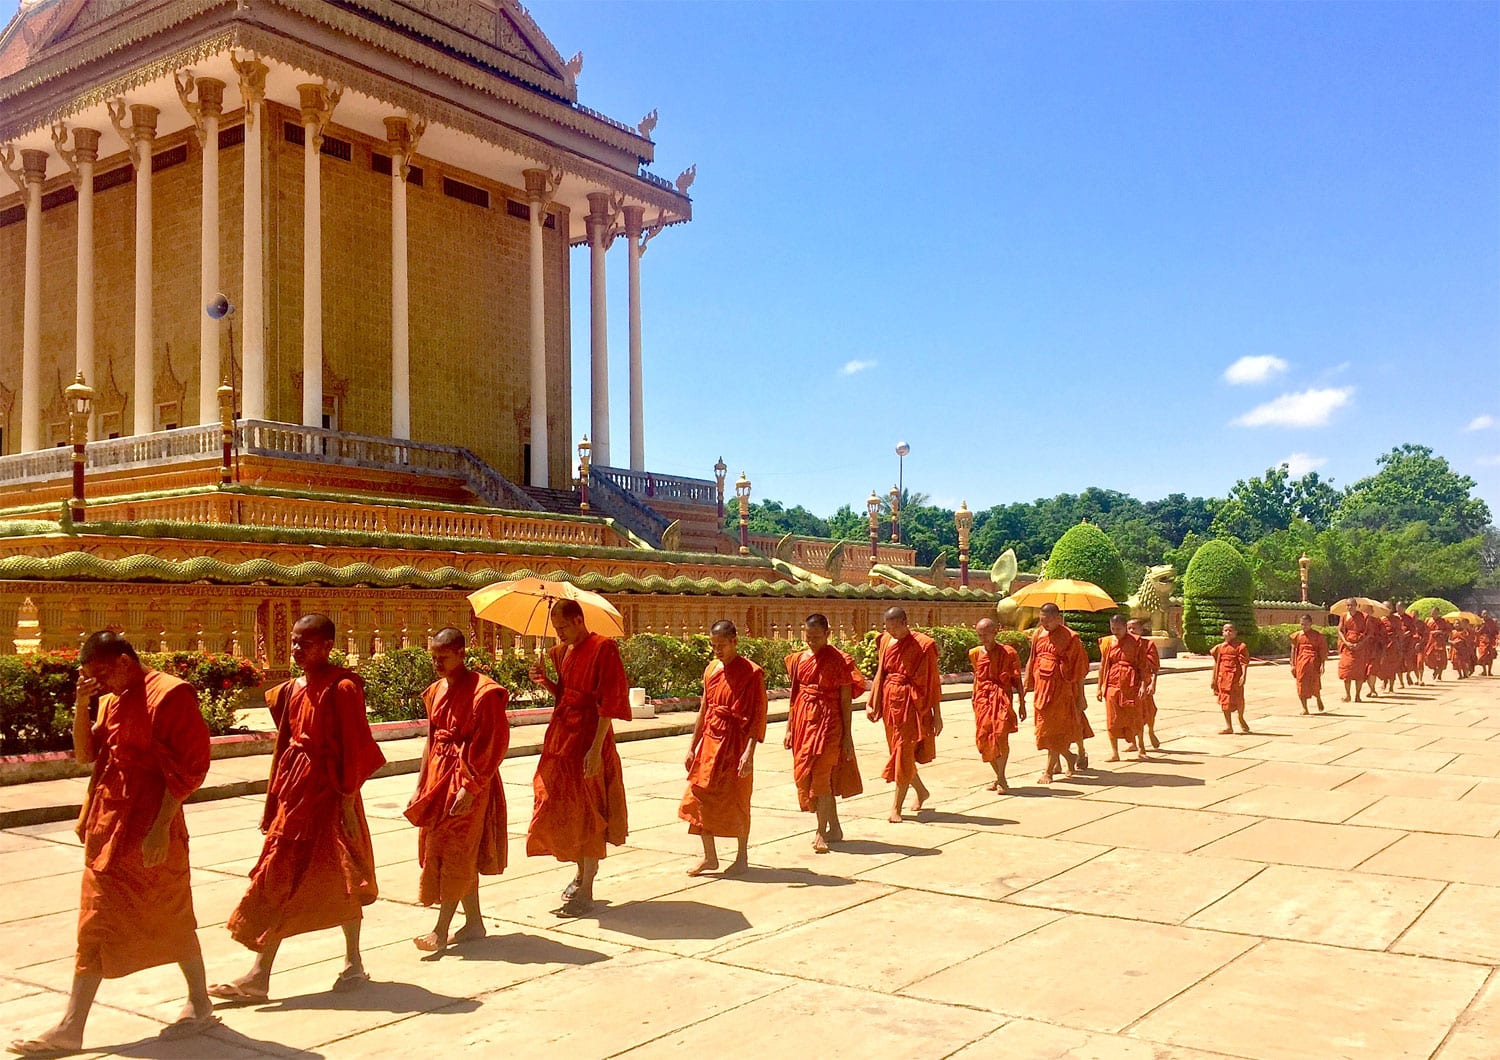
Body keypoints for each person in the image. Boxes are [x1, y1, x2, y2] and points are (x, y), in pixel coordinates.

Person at [10, 633, 215, 1057]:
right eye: (91, 678)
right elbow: (87, 756)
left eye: (102, 674)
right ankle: (73, 1025)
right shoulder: (108, 700)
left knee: (170, 909)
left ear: (124, 662)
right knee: (98, 916)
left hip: (152, 821)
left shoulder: (171, 694)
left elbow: (191, 768)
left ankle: (198, 1000)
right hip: (111, 820)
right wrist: (82, 705)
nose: (99, 683)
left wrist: (160, 827)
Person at [214, 615, 385, 1001]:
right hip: (295, 795)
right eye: (293, 642)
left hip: (330, 796)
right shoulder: (291, 690)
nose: (296, 650)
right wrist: (274, 800)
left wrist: (345, 804)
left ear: (327, 646)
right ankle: (261, 974)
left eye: (304, 643)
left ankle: (351, 962)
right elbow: (285, 746)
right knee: (279, 875)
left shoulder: (341, 688)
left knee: (344, 877)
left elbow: (354, 748)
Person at [405, 628, 510, 954]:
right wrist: (420, 784)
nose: (436, 663)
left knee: (456, 851)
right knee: (449, 851)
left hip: (468, 778)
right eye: (433, 656)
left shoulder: (483, 693)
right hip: (438, 779)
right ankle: (475, 923)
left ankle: (441, 929)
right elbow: (431, 740)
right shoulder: (436, 690)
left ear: (462, 653)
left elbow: (494, 744)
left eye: (443, 657)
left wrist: (471, 786)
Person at [526, 599, 630, 917]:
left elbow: (609, 701)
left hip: (589, 739)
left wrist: (596, 748)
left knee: (589, 811)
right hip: (561, 740)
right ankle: (581, 873)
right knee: (556, 804)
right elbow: (566, 695)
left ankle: (587, 888)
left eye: (562, 627)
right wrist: (545, 681)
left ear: (578, 620)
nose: (558, 634)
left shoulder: (603, 648)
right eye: (555, 629)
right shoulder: (561, 653)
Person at [680, 620, 767, 876]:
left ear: (734, 642)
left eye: (722, 645)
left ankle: (742, 857)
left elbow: (757, 716)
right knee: (698, 796)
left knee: (738, 799)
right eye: (713, 646)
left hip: (736, 743)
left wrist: (749, 753)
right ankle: (710, 857)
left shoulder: (751, 673)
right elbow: (704, 709)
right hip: (710, 740)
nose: (717, 650)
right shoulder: (711, 670)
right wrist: (692, 746)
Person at [784, 614, 864, 853]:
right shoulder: (798, 660)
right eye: (808, 638)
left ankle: (821, 830)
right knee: (805, 775)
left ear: (828, 634)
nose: (812, 642)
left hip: (830, 723)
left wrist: (847, 736)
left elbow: (845, 701)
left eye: (817, 638)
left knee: (821, 776)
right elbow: (794, 695)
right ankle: (835, 827)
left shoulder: (840, 660)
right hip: (803, 722)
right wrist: (789, 728)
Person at [867, 607, 942, 823]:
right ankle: (921, 791)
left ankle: (895, 808)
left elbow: (932, 682)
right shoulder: (884, 641)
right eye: (888, 628)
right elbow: (881, 672)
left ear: (905, 622)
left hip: (912, 705)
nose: (892, 632)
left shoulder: (924, 646)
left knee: (903, 752)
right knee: (899, 753)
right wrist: (873, 702)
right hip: (891, 704)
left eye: (896, 628)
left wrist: (937, 715)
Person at [1024, 603, 1089, 784]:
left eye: (1049, 621)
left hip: (1061, 690)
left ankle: (1048, 771)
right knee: (1044, 729)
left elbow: (1080, 668)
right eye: (1042, 620)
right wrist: (1027, 680)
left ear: (1058, 619)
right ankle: (1067, 757)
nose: (1045, 624)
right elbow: (1033, 657)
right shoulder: (1038, 634)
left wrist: (1081, 695)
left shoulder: (1070, 638)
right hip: (1041, 688)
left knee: (1055, 729)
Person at [969, 618, 1025, 793]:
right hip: (982, 700)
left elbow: (1017, 680)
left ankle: (1001, 778)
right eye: (980, 635)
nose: (983, 638)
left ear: (996, 632)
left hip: (1001, 698)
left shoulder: (1008, 653)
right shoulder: (975, 653)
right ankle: (1000, 778)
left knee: (1001, 737)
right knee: (984, 740)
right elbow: (978, 677)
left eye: (986, 634)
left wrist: (1022, 703)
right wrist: (974, 697)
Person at [1096, 614, 1146, 763]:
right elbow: (1103, 665)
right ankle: (1114, 753)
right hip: (1112, 683)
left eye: (1118, 628)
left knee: (1135, 717)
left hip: (1131, 684)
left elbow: (1143, 666)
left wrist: (1144, 684)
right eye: (1113, 628)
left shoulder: (1136, 642)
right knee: (1112, 719)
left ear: (1126, 627)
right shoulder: (1107, 642)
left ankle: (1141, 747)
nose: (1115, 631)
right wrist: (1099, 687)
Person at [1211, 622, 1251, 734]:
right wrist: (1213, 678)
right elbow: (1216, 663)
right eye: (1225, 630)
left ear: (1235, 633)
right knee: (1224, 702)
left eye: (1230, 630)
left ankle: (1241, 717)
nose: (1228, 633)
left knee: (1239, 700)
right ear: (1222, 633)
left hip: (1235, 678)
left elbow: (1244, 663)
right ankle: (1229, 726)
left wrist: (1244, 675)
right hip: (1223, 678)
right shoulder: (1219, 648)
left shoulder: (1240, 647)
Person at [1290, 614, 1328, 714]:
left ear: (1311, 624)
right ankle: (1304, 708)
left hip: (1313, 663)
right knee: (1301, 685)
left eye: (1306, 624)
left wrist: (1323, 665)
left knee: (1314, 684)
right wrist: (1292, 665)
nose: (1304, 627)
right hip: (1301, 663)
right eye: (1302, 624)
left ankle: (1318, 698)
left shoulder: (1317, 636)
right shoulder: (1297, 636)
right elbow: (1293, 650)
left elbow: (1322, 651)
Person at [1336, 600, 1371, 703]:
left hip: (1359, 648)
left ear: (1357, 606)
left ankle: (1357, 695)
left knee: (1359, 673)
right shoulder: (1344, 616)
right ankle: (1347, 695)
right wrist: (1346, 642)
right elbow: (1339, 630)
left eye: (1352, 605)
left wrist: (1360, 644)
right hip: (1348, 648)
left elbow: (1369, 633)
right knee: (1346, 672)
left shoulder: (1364, 617)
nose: (1349, 607)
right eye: (1348, 605)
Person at [1403, 607, 1429, 686]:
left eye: (1415, 616)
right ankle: (1409, 676)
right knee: (1410, 663)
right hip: (1409, 645)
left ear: (1418, 616)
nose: (1414, 617)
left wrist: (1420, 643)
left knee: (1420, 661)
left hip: (1419, 645)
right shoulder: (1408, 623)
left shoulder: (1421, 624)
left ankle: (1420, 679)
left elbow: (1425, 635)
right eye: (1412, 615)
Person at [1426, 610, 1451, 681]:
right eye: (1432, 612)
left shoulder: (1443, 621)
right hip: (1431, 642)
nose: (1433, 614)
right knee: (1429, 656)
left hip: (1440, 642)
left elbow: (1448, 631)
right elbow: (1425, 630)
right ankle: (1435, 669)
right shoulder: (1428, 620)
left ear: (1438, 613)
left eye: (1435, 613)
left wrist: (1439, 632)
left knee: (1441, 659)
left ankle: (1440, 674)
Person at [1479, 610, 1497, 677]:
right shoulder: (1480, 622)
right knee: (1483, 656)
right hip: (1482, 641)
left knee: (1490, 657)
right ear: (1481, 614)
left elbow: (1495, 631)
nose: (1485, 615)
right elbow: (1476, 632)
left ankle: (1489, 671)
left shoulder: (1492, 622)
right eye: (1483, 614)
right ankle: (1484, 671)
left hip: (1491, 641)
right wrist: (1482, 626)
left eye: (1486, 613)